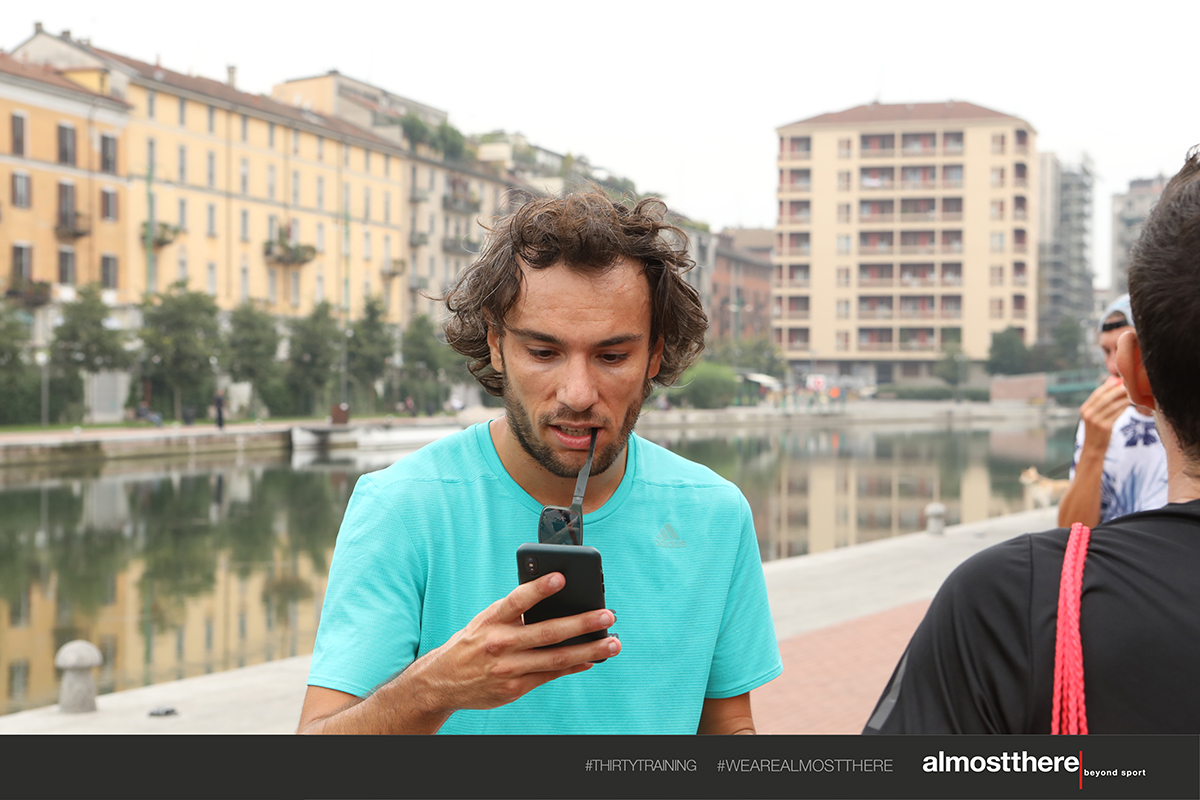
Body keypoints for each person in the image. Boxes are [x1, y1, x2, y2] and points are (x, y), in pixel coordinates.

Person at [297, 190, 782, 735]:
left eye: (612, 356)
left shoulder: (716, 514)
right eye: (544, 352)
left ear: (654, 355)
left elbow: (729, 725)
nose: (577, 393)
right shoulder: (400, 507)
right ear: (495, 343)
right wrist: (435, 687)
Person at [863, 147, 1200, 734]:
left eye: (1114, 353)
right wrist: (1094, 447)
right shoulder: (1098, 428)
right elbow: (1075, 526)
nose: (1108, 368)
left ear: (1135, 368)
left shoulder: (1010, 603)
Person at [1055, 294, 1168, 528]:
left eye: (1126, 349)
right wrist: (1092, 449)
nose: (1113, 366)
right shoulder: (1099, 421)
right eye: (1107, 351)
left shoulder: (1185, 418)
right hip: (1111, 549)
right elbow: (1070, 532)